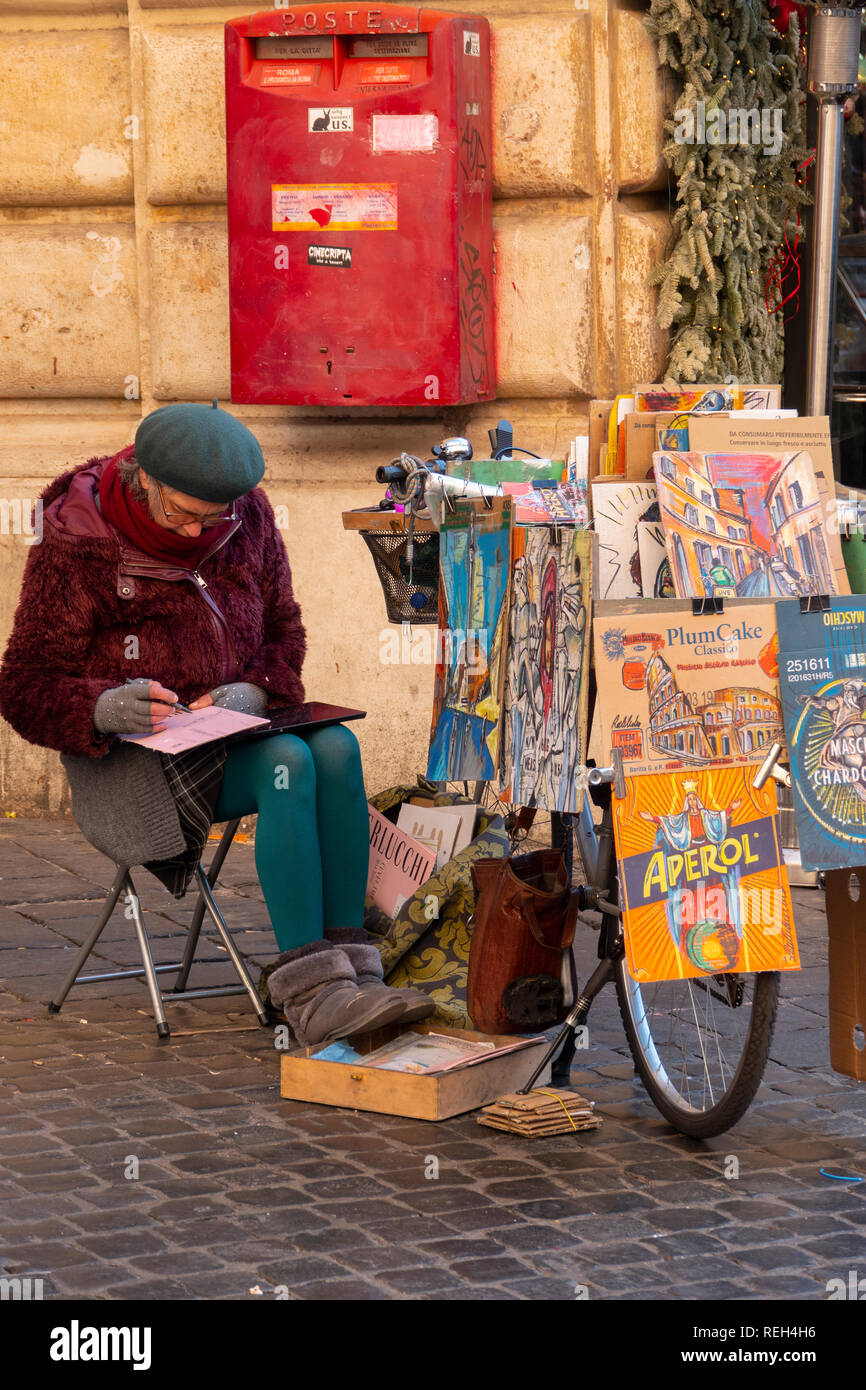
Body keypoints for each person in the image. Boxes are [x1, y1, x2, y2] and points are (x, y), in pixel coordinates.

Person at [0, 402, 431, 1046]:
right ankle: (313, 995)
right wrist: (105, 706)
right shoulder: (78, 539)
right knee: (288, 764)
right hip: (132, 762)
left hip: (231, 731)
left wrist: (253, 690)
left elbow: (285, 629)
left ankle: (355, 971)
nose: (200, 528)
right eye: (182, 513)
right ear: (143, 478)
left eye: (215, 516)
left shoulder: (247, 515)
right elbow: (25, 685)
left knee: (336, 746)